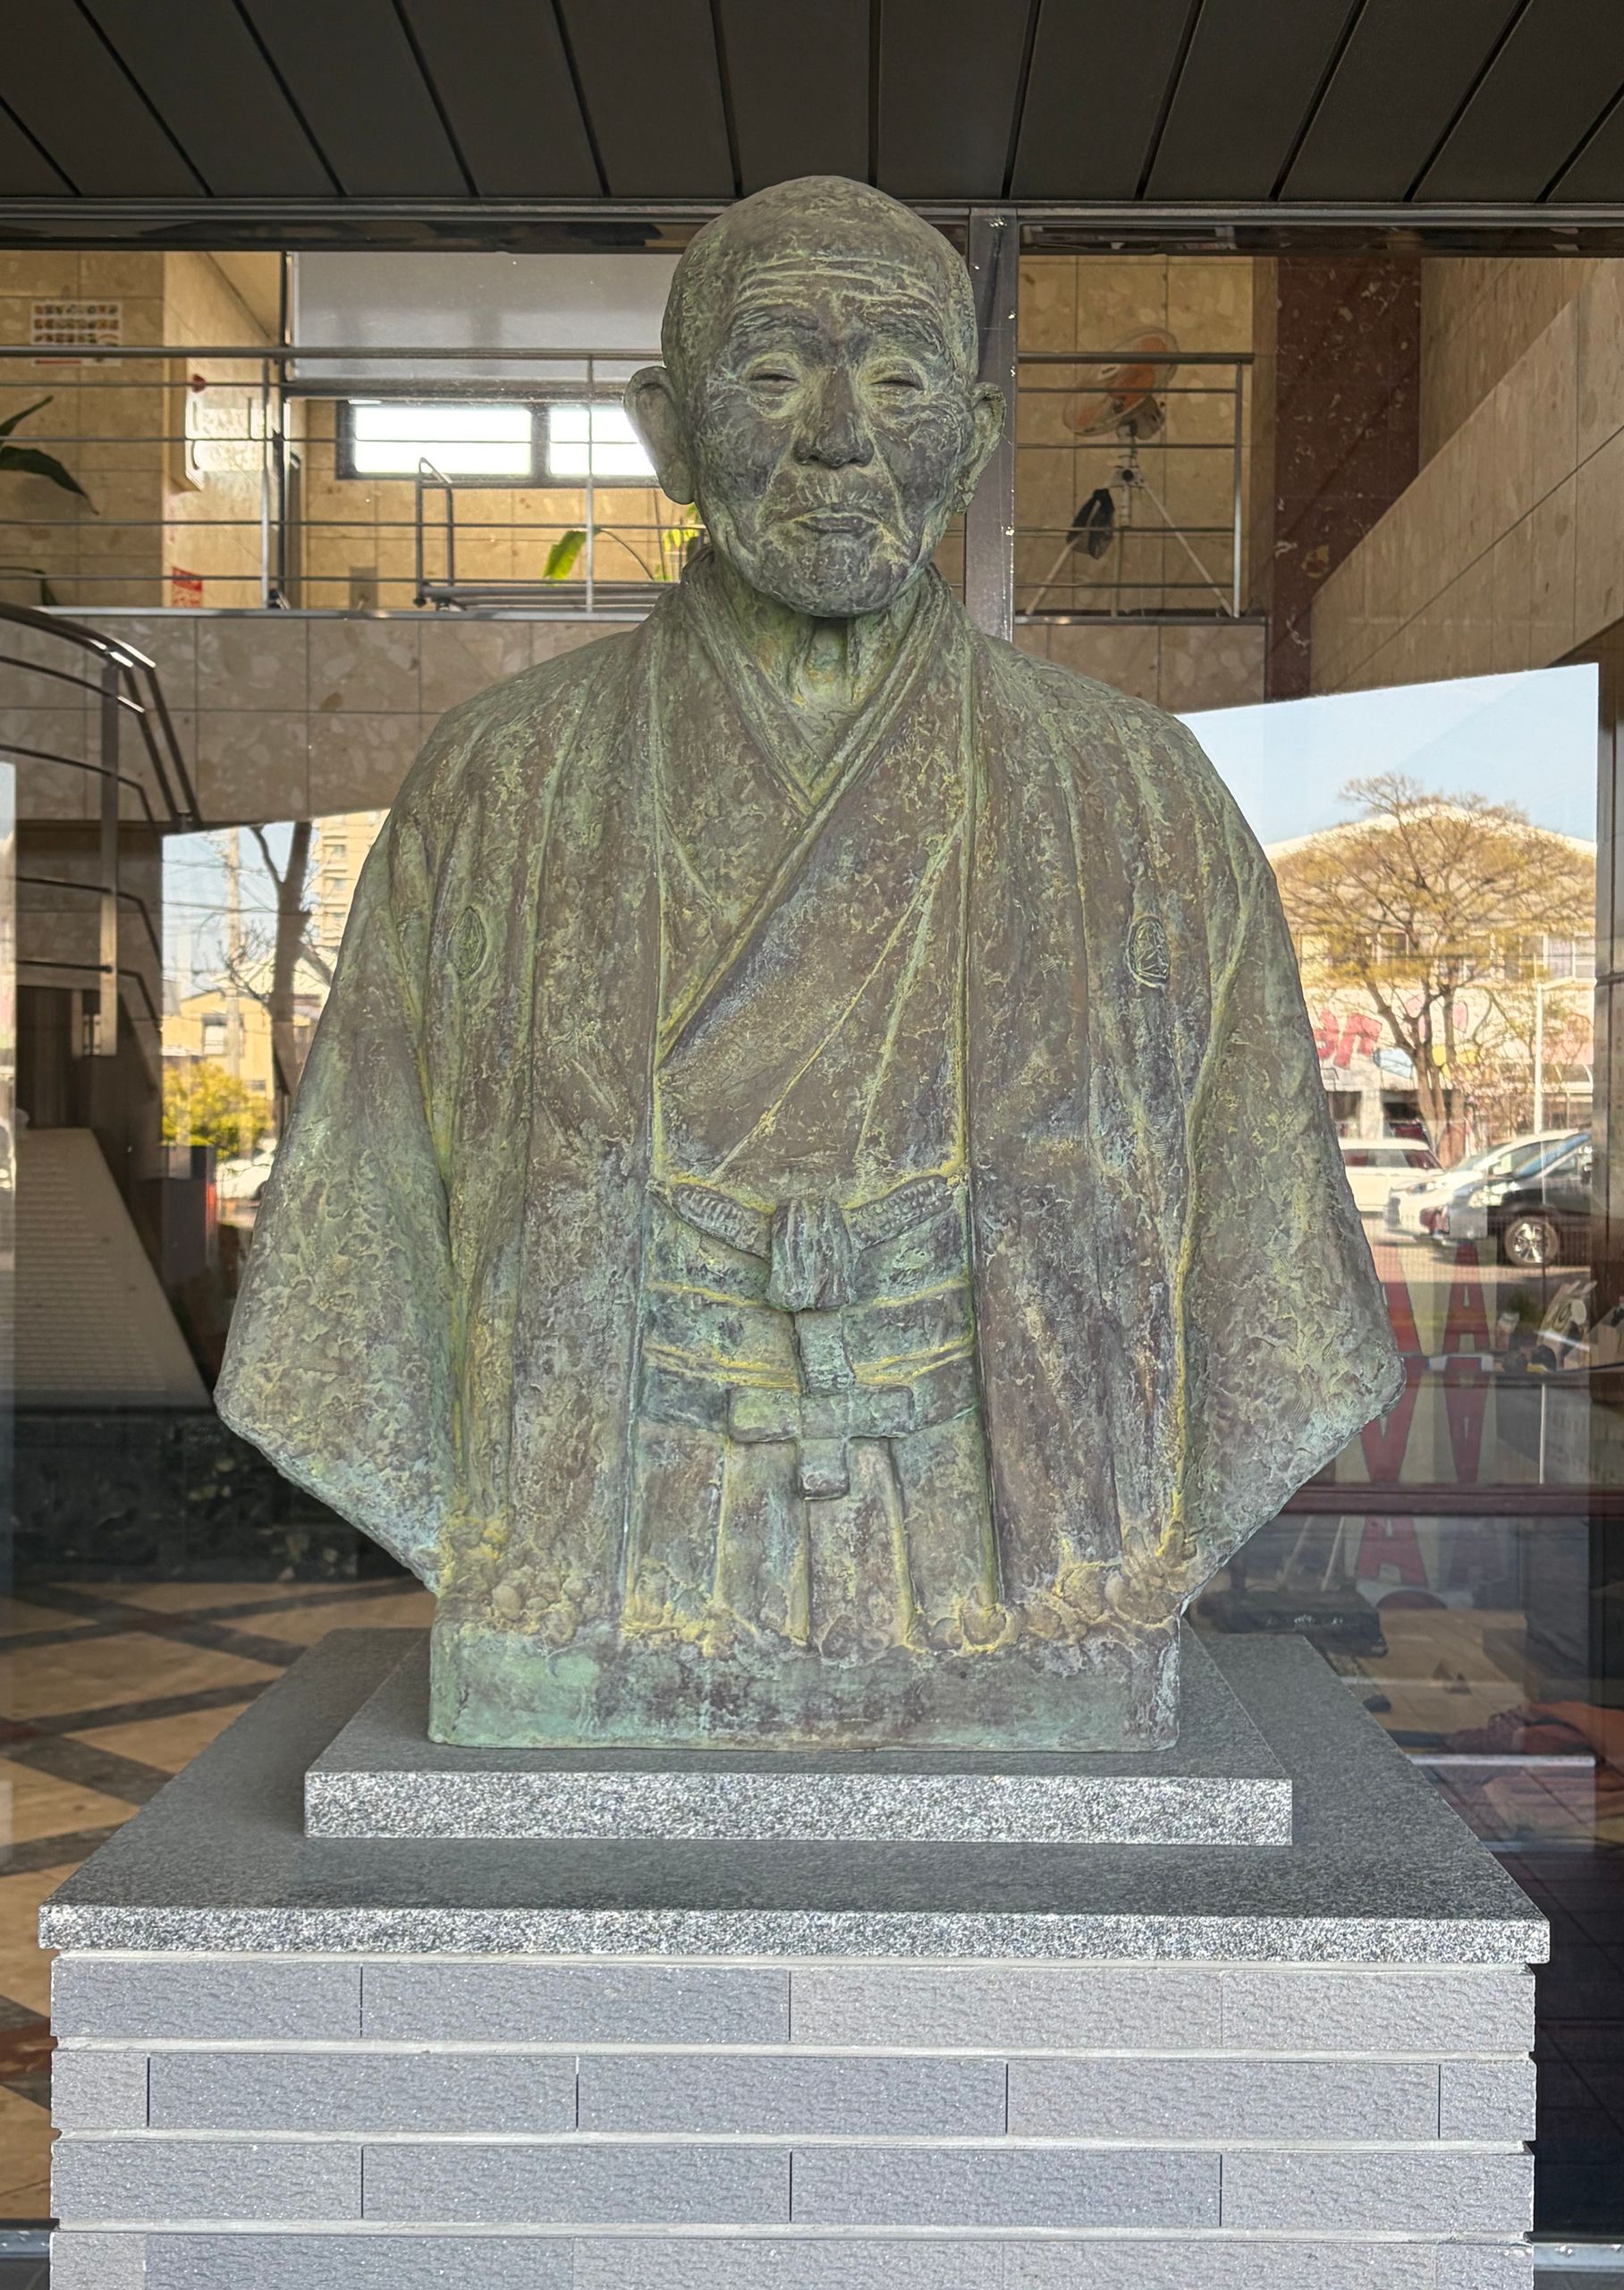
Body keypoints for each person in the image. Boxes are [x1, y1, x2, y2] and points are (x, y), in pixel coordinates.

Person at [217, 177, 1400, 1749]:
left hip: (1025, 1536)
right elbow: (361, 1230)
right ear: (666, 430)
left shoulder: (1131, 793)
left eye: (900, 379)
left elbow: (1264, 1255)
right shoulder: (502, 784)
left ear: (971, 440)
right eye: (772, 373)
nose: (838, 433)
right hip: (606, 1533)